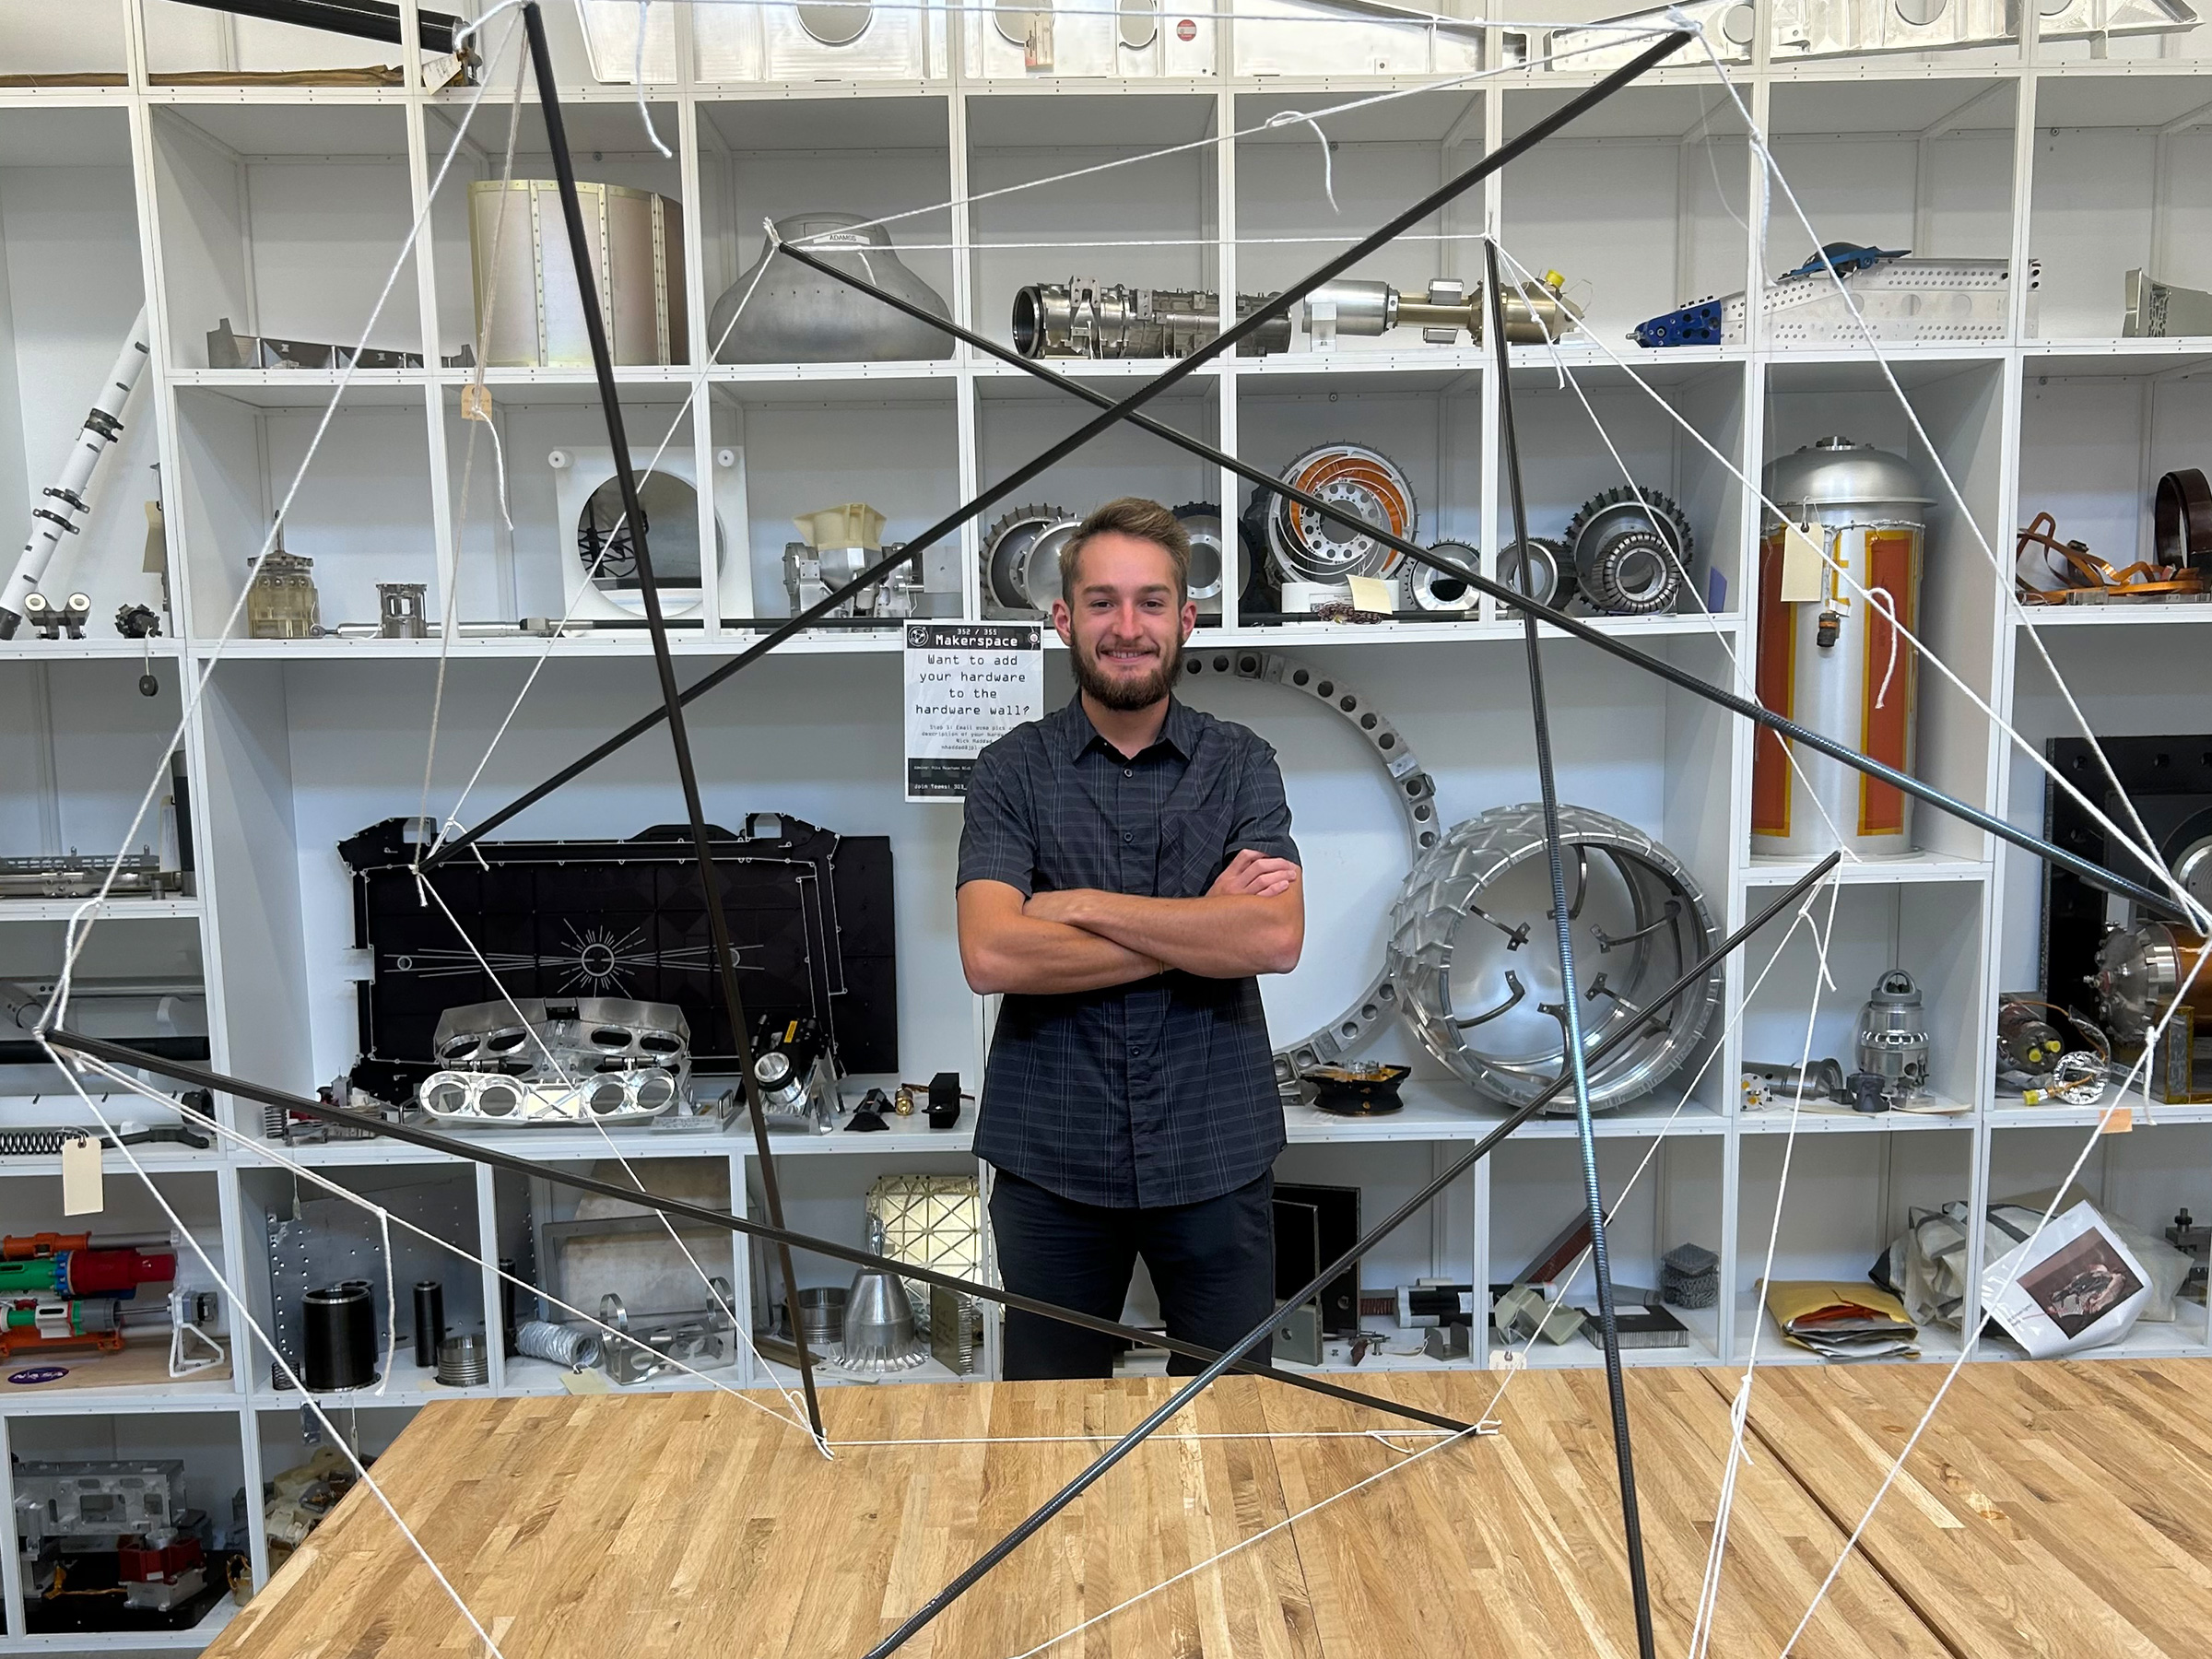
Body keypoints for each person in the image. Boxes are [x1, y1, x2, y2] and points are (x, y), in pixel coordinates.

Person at [956, 495, 1305, 1380]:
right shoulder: (1009, 771)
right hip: (1051, 1165)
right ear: (1064, 619)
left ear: (1185, 619)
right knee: (1049, 1429)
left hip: (1215, 1150)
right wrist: (1197, 923)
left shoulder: (1242, 763)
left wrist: (1071, 903)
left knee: (1234, 1429)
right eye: (1104, 603)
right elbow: (992, 955)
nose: (1128, 626)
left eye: (1151, 602)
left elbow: (1272, 937)